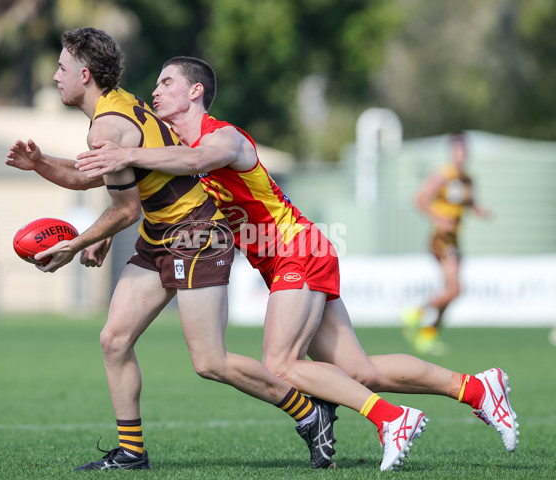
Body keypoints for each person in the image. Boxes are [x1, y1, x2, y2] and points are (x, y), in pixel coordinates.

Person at [76, 56, 519, 470]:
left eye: (166, 83)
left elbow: (196, 159)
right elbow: (151, 196)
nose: (155, 92)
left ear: (195, 92)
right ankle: (476, 388)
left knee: (281, 364)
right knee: (360, 371)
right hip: (288, 257)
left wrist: (126, 154)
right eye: (154, 85)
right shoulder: (169, 149)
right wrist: (105, 226)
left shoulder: (222, 136)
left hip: (296, 249)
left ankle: (390, 420)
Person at [6, 28, 342, 472]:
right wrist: (42, 163)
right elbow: (97, 174)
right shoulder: (119, 104)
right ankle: (131, 452)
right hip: (162, 236)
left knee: (210, 361)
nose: (55, 77)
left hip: (197, 235)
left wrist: (77, 243)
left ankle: (310, 413)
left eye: (62, 69)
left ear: (84, 75)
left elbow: (124, 210)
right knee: (114, 338)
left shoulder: (107, 124)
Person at [402, 133, 491, 355]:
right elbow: (419, 199)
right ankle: (416, 314)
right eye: (457, 151)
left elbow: (467, 201)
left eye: (464, 151)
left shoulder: (467, 179)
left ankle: (428, 334)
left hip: (454, 239)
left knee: (453, 291)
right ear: (452, 153)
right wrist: (438, 218)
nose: (460, 156)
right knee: (456, 289)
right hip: (441, 240)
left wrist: (477, 209)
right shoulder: (443, 175)